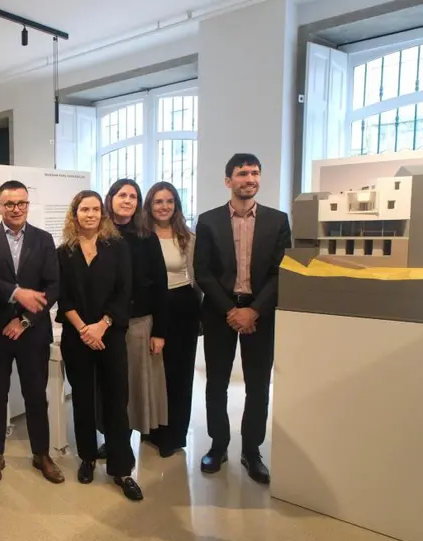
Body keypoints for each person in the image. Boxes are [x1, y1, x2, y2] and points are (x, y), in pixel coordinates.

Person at [193, 153, 291, 485]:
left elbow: (280, 272)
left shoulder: (278, 221)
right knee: (216, 383)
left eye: (255, 173)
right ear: (228, 180)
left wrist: (254, 310)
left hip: (260, 313)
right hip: (220, 311)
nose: (250, 179)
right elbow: (203, 271)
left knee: (258, 385)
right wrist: (231, 310)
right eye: (242, 173)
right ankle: (218, 445)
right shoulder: (208, 221)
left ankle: (252, 449)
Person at [0, 180, 63, 487]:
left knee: (36, 395)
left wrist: (24, 320)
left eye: (21, 203)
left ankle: (41, 454)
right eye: (9, 204)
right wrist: (16, 292)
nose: (16, 209)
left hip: (32, 331)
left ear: (28, 205)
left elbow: (53, 286)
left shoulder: (43, 239)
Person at [56, 190, 143, 501]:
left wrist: (102, 325)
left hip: (110, 334)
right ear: (75, 214)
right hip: (77, 336)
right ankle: (88, 458)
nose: (90, 214)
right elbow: (62, 296)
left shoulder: (117, 247)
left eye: (95, 209)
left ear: (102, 214)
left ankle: (121, 469)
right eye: (84, 209)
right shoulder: (63, 252)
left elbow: (125, 291)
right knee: (82, 400)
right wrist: (84, 329)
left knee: (116, 400)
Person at [103, 179, 169, 455]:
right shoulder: (99, 235)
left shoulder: (147, 237)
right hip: (104, 324)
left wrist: (159, 331)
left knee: (133, 386)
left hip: (138, 323)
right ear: (110, 198)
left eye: (133, 196)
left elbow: (160, 284)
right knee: (109, 386)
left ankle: (125, 442)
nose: (127, 200)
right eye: (122, 195)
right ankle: (112, 439)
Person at [146, 181, 201, 458]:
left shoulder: (187, 237)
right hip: (152, 309)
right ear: (149, 205)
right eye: (158, 201)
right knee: (155, 372)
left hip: (183, 308)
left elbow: (196, 276)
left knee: (179, 373)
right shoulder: (142, 237)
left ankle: (174, 434)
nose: (164, 206)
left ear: (176, 205)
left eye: (169, 201)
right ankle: (152, 430)